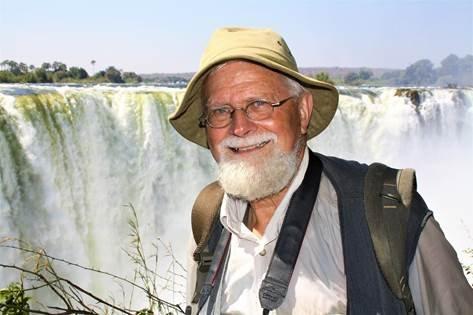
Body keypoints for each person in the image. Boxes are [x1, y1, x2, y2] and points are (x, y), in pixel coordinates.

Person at [168, 27, 472, 315]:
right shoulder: (208, 221)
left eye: (259, 104)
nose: (239, 126)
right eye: (220, 111)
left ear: (302, 112)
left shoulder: (390, 213)